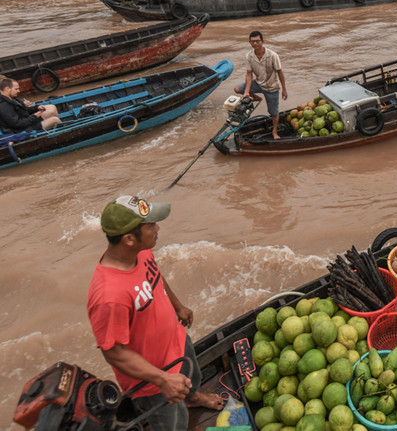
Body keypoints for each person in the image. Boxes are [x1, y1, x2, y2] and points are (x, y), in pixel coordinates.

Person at [87, 195, 223, 431]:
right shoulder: (109, 296)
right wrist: (163, 379)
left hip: (176, 343)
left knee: (194, 380)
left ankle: (192, 398)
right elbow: (114, 352)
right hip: (154, 379)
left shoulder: (140, 251)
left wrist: (177, 305)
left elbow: (154, 276)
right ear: (129, 238)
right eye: (151, 225)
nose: (158, 228)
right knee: (173, 422)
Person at [234, 31, 287, 139]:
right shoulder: (249, 56)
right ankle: (257, 97)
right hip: (258, 84)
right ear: (250, 43)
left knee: (274, 112)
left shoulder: (272, 55)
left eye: (257, 41)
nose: (255, 44)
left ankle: (274, 131)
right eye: (252, 42)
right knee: (237, 89)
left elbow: (280, 72)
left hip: (272, 87)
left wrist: (284, 89)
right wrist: (247, 92)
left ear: (262, 41)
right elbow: (249, 75)